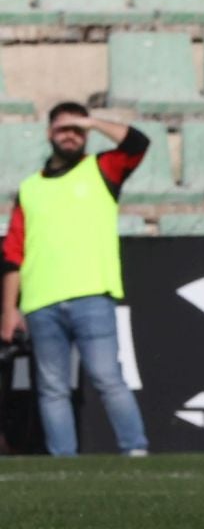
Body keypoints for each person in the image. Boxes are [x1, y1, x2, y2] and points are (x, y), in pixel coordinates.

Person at [0, 104, 151, 458]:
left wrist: (93, 121)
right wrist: (9, 309)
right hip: (40, 302)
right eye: (62, 128)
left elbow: (138, 144)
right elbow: (13, 254)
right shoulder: (30, 188)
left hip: (91, 295)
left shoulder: (102, 169)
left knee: (107, 379)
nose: (70, 135)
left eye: (76, 130)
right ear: (48, 133)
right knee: (52, 389)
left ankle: (135, 450)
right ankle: (63, 464)